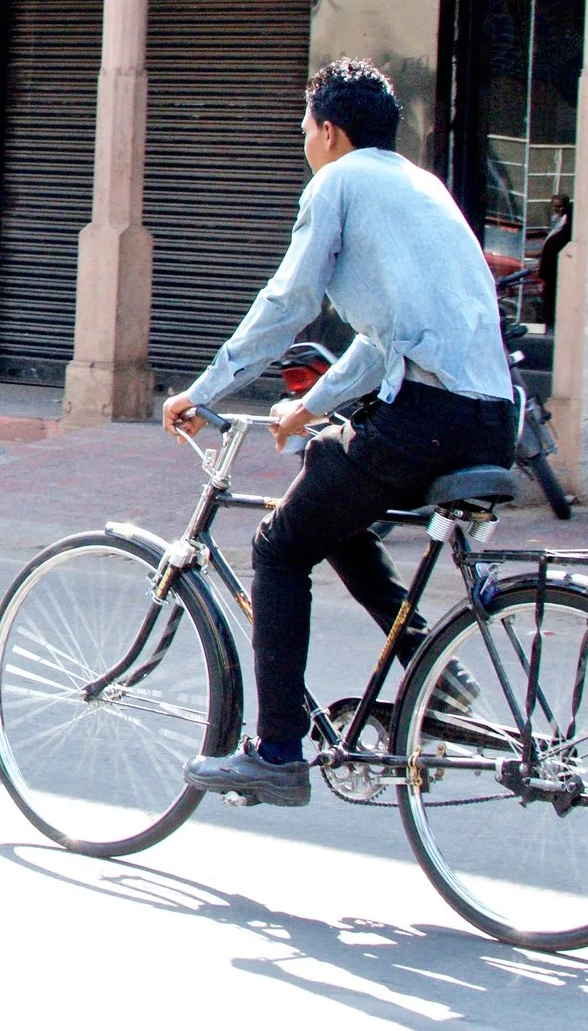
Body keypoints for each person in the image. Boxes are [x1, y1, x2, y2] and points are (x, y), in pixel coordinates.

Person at [160, 59, 516, 807]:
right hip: (490, 417)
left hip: (427, 419)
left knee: (278, 547)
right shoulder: (424, 188)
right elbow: (388, 337)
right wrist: (312, 406)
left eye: (304, 128)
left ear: (329, 129)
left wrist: (205, 389)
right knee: (327, 476)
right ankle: (434, 676)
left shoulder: (339, 183)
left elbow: (287, 302)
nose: (302, 142)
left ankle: (277, 753)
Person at [536, 193, 572, 327]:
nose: (558, 209)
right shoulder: (555, 221)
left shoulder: (564, 226)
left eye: (560, 206)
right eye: (555, 206)